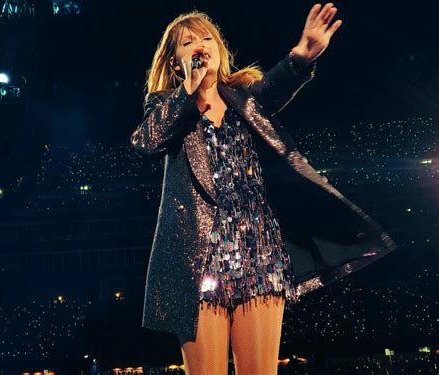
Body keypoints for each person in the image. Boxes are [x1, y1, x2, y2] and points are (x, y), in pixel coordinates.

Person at [130, 3, 397, 374]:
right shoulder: (167, 106)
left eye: (207, 37)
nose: (200, 45)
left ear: (220, 49)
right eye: (188, 43)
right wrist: (186, 93)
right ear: (175, 62)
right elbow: (146, 141)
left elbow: (277, 84)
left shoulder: (246, 99)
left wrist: (301, 56)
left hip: (258, 251)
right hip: (199, 255)